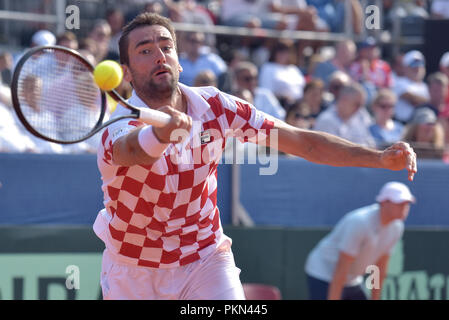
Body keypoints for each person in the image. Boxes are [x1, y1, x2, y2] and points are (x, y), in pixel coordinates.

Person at [94, 13, 417, 300]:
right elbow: (132, 151)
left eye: (166, 47)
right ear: (126, 73)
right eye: (145, 51)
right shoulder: (119, 125)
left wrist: (378, 158)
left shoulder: (216, 107)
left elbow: (303, 143)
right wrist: (160, 134)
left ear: (178, 60)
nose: (159, 56)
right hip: (133, 269)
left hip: (203, 259)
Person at [305, 181, 415, 300]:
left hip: (352, 279)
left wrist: (375, 298)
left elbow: (380, 266)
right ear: (384, 202)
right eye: (400, 203)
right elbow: (341, 268)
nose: (404, 208)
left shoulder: (397, 227)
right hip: (323, 273)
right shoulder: (360, 222)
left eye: (407, 204)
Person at [313, 82, 376, 148]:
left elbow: (371, 143)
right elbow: (333, 152)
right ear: (344, 100)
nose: (359, 109)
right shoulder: (326, 121)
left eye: (361, 105)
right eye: (357, 104)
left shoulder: (360, 116)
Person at [393, 50, 429, 123]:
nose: (417, 68)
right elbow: (414, 100)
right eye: (413, 64)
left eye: (420, 64)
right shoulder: (399, 83)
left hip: (422, 127)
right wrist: (432, 102)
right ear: (405, 67)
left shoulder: (425, 86)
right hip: (404, 125)